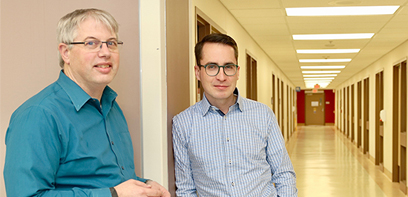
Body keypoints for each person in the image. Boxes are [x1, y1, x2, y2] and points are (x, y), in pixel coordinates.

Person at [3, 8, 170, 197]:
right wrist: (113, 195)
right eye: (92, 43)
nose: (105, 52)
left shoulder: (112, 107)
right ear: (65, 52)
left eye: (111, 43)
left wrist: (145, 185)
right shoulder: (38, 115)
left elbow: (110, 180)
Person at [172, 33, 297, 196]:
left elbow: (284, 174)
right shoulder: (183, 123)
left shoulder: (262, 114)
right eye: (211, 67)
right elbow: (186, 189)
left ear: (237, 72)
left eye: (228, 67)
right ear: (197, 72)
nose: (221, 77)